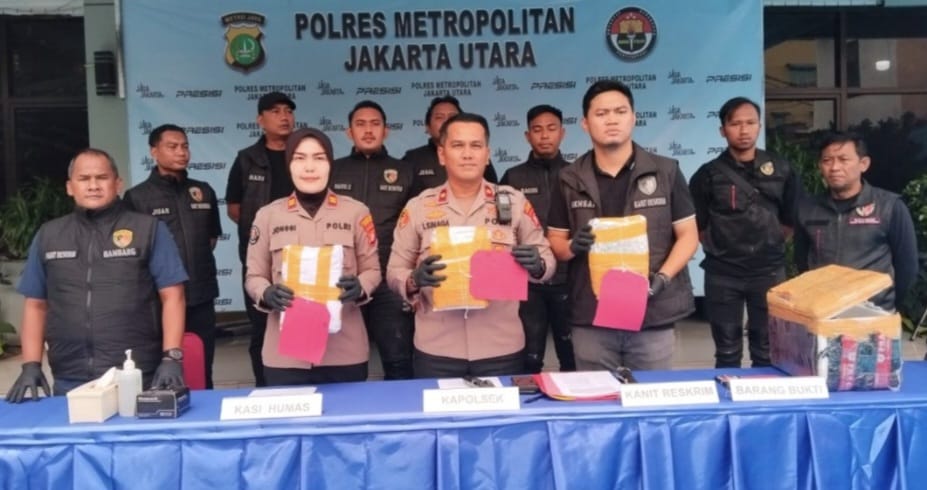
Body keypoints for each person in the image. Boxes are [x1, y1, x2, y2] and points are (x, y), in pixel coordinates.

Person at [6, 148, 188, 403]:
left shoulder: (148, 229)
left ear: (118, 184)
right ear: (70, 187)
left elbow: (173, 297)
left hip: (135, 373)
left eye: (102, 177)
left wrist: (172, 357)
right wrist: (31, 364)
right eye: (84, 179)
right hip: (70, 376)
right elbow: (35, 305)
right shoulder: (49, 235)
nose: (93, 186)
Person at [387, 112, 555, 378]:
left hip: (501, 347)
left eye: (476, 146)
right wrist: (413, 279)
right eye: (458, 145)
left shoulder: (513, 202)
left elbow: (547, 258)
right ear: (442, 154)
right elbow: (394, 270)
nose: (467, 154)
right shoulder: (418, 207)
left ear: (487, 154)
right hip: (437, 349)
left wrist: (538, 265)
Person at [546, 80, 699, 371]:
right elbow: (555, 241)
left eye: (620, 111)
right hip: (592, 315)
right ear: (585, 124)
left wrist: (662, 278)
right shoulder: (568, 178)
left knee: (650, 396)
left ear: (633, 118)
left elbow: (688, 236)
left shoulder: (666, 171)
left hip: (651, 313)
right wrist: (572, 247)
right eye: (601, 113)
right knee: (598, 397)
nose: (612, 120)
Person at [245, 128, 381, 385]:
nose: (310, 167)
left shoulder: (356, 212)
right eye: (299, 158)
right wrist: (266, 293)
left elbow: (373, 270)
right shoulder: (268, 215)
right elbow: (254, 275)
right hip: (286, 355)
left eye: (319, 158)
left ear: (330, 164)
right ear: (289, 165)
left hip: (344, 351)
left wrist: (361, 286)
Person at [688, 97, 801, 368]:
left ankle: (764, 397)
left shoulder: (782, 169)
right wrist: (723, 248)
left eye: (750, 123)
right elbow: (698, 226)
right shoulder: (707, 175)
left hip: (769, 273)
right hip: (723, 274)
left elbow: (791, 217)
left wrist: (770, 243)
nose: (744, 130)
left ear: (759, 126)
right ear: (722, 130)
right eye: (736, 124)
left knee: (766, 350)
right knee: (727, 352)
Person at [124, 124, 222, 388]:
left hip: (200, 296)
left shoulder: (204, 191)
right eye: (173, 146)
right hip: (158, 302)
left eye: (185, 146)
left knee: (201, 368)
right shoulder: (137, 197)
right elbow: (134, 253)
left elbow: (211, 239)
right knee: (161, 369)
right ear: (154, 151)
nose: (181, 152)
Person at [330, 100, 416, 380]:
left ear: (386, 130)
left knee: (398, 358)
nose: (368, 130)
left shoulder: (405, 171)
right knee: (343, 361)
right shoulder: (332, 170)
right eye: (360, 124)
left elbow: (416, 226)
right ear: (349, 132)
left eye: (375, 124)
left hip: (389, 279)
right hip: (344, 280)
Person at [794, 131, 918, 312]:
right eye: (827, 160)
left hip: (874, 312)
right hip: (824, 312)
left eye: (843, 160)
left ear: (863, 164)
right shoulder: (808, 209)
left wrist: (887, 304)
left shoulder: (889, 206)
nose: (834, 167)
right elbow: (802, 261)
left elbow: (907, 266)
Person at [225, 91, 296, 387]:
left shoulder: (303, 155)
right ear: (260, 120)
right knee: (261, 327)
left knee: (303, 323)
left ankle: (299, 384)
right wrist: (264, 233)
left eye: (288, 111)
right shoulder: (247, 159)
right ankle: (265, 388)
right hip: (261, 258)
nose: (284, 117)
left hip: (301, 256)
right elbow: (234, 208)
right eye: (275, 111)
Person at [499, 104, 575, 373]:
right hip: (527, 281)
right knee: (529, 358)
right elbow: (500, 227)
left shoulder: (576, 175)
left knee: (572, 356)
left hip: (570, 278)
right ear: (527, 136)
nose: (544, 136)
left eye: (551, 129)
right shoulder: (512, 177)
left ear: (562, 133)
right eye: (537, 130)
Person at [402, 95, 498, 196]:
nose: (446, 121)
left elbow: (493, 194)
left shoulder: (476, 157)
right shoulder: (412, 159)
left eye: (452, 117)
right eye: (439, 117)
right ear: (427, 127)